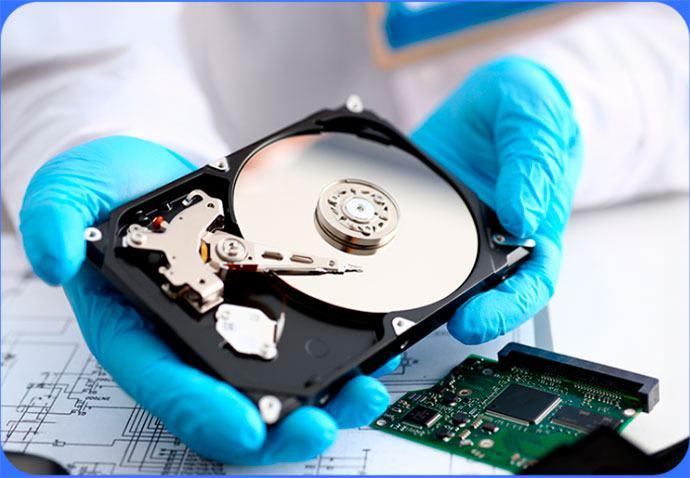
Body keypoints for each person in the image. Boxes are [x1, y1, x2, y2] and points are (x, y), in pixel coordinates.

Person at [3, 2, 687, 466]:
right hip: (263, 158)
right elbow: (70, 32)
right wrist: (103, 125)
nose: (359, 222)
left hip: (570, 128)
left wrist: (577, 95)